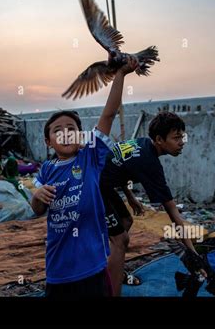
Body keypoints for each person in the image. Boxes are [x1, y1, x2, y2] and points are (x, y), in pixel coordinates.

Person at [31, 56, 138, 298]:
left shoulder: (90, 157)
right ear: (48, 142)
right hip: (57, 267)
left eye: (71, 128)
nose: (66, 133)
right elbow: (37, 209)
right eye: (58, 130)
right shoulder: (47, 169)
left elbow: (109, 115)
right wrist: (37, 194)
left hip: (92, 266)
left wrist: (120, 74)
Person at [100, 111, 206, 296]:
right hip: (95, 187)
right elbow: (174, 214)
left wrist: (130, 197)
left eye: (182, 137)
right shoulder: (150, 164)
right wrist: (193, 255)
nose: (182, 142)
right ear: (159, 139)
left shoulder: (142, 143)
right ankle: (110, 289)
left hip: (104, 183)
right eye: (176, 138)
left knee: (126, 222)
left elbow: (120, 165)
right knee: (121, 240)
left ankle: (111, 268)